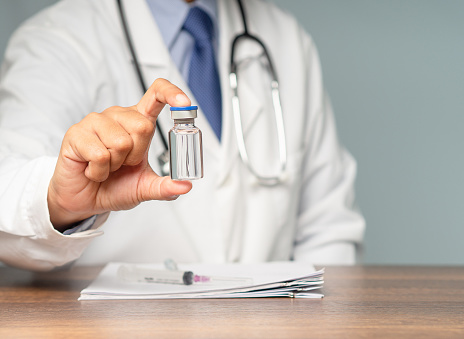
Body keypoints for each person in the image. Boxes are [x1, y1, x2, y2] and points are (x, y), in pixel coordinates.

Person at [0, 0, 365, 271]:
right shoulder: (58, 38)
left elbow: (328, 230)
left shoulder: (285, 39)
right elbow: (7, 180)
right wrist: (60, 203)